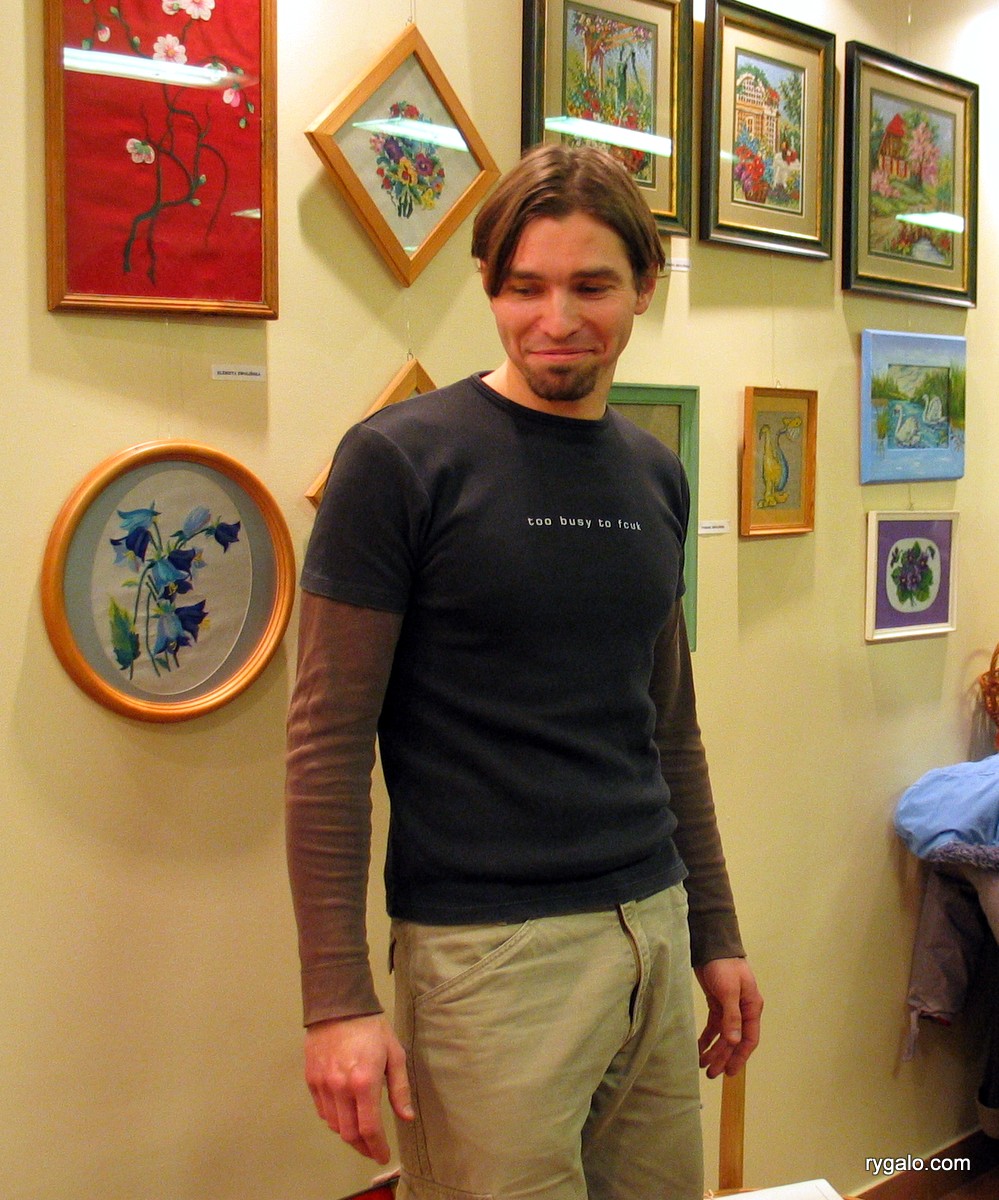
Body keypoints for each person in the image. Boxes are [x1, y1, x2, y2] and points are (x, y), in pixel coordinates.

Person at [285, 143, 762, 1200]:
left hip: (651, 922)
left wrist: (714, 930)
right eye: (524, 287)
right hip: (486, 959)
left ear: (644, 285)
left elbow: (667, 728)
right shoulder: (399, 461)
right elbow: (325, 743)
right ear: (488, 285)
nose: (556, 319)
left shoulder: (654, 472)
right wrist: (338, 999)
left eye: (591, 286)